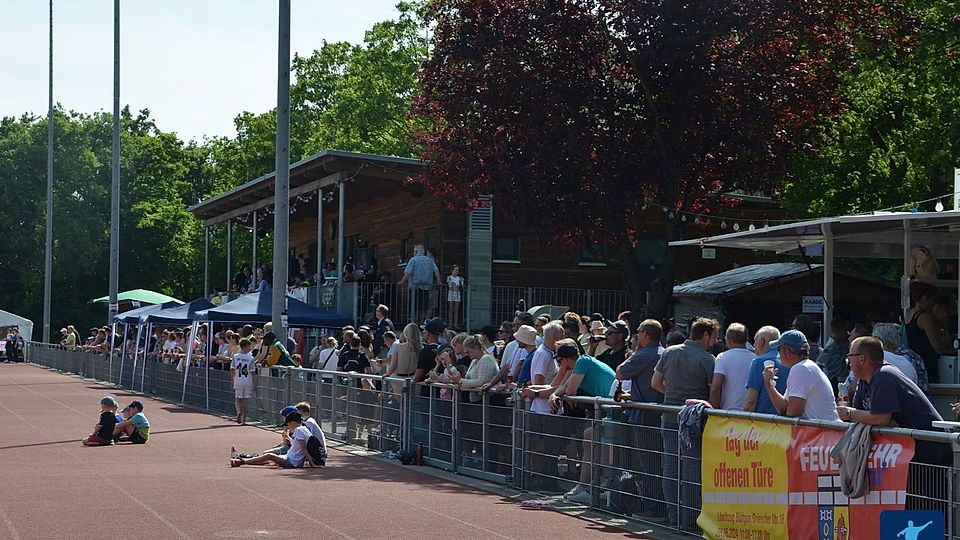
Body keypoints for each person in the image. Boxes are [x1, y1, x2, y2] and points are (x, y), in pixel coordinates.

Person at [838, 336, 950, 510]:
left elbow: (879, 418)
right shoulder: (864, 382)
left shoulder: (884, 376)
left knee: (926, 505)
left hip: (928, 450)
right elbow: (868, 415)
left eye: (850, 356)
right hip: (908, 453)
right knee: (910, 504)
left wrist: (851, 414)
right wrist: (856, 413)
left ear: (862, 358)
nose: (847, 361)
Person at [651, 316, 719, 528]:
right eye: (714, 336)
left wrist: (671, 395)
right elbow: (713, 390)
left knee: (670, 468)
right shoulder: (708, 360)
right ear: (706, 335)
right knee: (691, 470)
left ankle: (674, 516)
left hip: (670, 416)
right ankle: (689, 519)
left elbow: (655, 383)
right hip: (695, 421)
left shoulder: (670, 352)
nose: (716, 341)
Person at [547, 341, 615, 503]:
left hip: (614, 411)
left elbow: (569, 390)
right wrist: (554, 396)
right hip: (608, 411)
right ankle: (586, 486)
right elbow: (562, 388)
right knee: (589, 441)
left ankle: (601, 485)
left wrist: (564, 393)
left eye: (559, 362)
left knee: (594, 442)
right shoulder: (581, 364)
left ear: (563, 360)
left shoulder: (583, 361)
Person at [616, 319, 666, 518]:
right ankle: (663, 507)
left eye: (638, 331)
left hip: (646, 416)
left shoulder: (644, 354)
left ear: (645, 334)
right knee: (663, 463)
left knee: (649, 464)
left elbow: (620, 373)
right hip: (662, 413)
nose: (636, 335)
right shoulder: (665, 352)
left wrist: (635, 351)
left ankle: (655, 509)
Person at [762, 330, 839, 421]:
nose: (778, 354)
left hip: (825, 433)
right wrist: (769, 385)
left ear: (787, 351)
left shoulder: (801, 369)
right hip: (823, 432)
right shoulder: (803, 367)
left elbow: (792, 413)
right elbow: (784, 409)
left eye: (779, 349)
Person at [230, 411, 319, 468]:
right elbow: (300, 446)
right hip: (290, 458)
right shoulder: (304, 429)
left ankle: (242, 461)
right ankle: (240, 458)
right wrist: (288, 438)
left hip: (292, 461)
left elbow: (304, 449)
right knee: (267, 459)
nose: (287, 426)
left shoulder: (298, 430)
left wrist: (312, 464)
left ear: (293, 422)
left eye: (288, 424)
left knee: (269, 455)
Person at [709, 322, 755, 410]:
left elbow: (715, 388)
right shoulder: (756, 359)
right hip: (751, 415)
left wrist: (714, 412)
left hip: (728, 414)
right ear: (746, 340)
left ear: (728, 340)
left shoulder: (722, 357)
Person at [743, 326, 786, 414]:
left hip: (763, 422)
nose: (754, 345)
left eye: (755, 341)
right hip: (787, 423)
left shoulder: (758, 362)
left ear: (761, 342)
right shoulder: (789, 361)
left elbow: (751, 399)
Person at [905, 281, 941, 382]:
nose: (934, 303)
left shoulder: (909, 314)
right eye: (933, 300)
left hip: (914, 359)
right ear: (925, 298)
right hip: (927, 361)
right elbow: (936, 345)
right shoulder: (925, 317)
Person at [397, 244, 442, 324]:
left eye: (414, 250)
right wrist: (438, 282)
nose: (413, 252)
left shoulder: (413, 260)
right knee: (423, 307)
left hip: (415, 287)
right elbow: (436, 271)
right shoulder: (429, 260)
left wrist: (402, 281)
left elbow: (408, 273)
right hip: (426, 287)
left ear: (416, 251)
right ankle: (421, 322)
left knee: (414, 306)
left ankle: (414, 323)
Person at [230, 337, 256, 425]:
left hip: (238, 379)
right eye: (249, 346)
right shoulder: (251, 358)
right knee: (245, 400)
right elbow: (253, 372)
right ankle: (244, 420)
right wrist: (254, 384)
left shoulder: (235, 357)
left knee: (237, 399)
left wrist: (232, 380)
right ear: (245, 346)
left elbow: (232, 369)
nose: (250, 348)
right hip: (247, 380)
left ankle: (238, 412)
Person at [295, 402, 327, 466]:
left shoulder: (309, 422)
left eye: (300, 414)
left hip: (319, 452)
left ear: (307, 413)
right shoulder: (307, 421)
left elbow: (307, 438)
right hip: (318, 450)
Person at [446, 265, 465, 329]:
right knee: (451, 309)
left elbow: (462, 286)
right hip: (451, 293)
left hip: (457, 293)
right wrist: (451, 283)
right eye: (456, 270)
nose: (457, 271)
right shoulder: (449, 277)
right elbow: (449, 284)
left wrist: (462, 282)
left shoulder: (459, 278)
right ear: (452, 270)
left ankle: (456, 324)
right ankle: (450, 324)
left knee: (456, 310)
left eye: (458, 270)